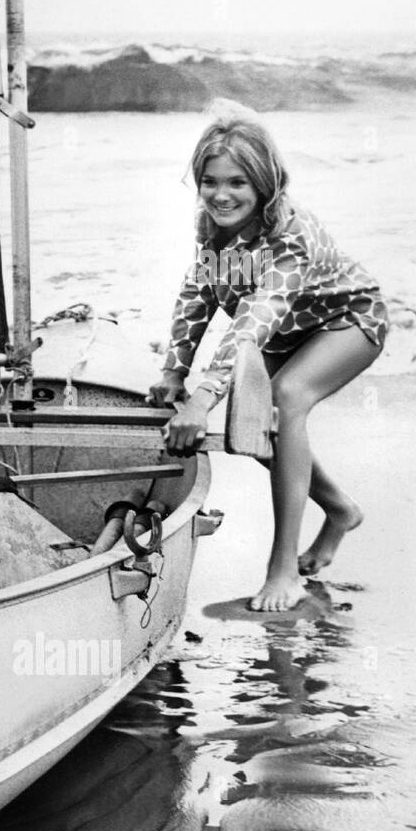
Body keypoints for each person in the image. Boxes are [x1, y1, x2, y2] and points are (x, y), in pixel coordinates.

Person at [147, 101, 387, 612]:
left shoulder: (290, 235)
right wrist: (175, 370)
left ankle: (283, 572)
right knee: (253, 425)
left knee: (286, 399)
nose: (220, 194)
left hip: (346, 322)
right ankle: (340, 509)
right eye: (210, 181)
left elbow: (257, 314)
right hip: (281, 336)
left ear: (264, 183)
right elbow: (200, 291)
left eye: (237, 182)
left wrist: (203, 398)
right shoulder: (212, 224)